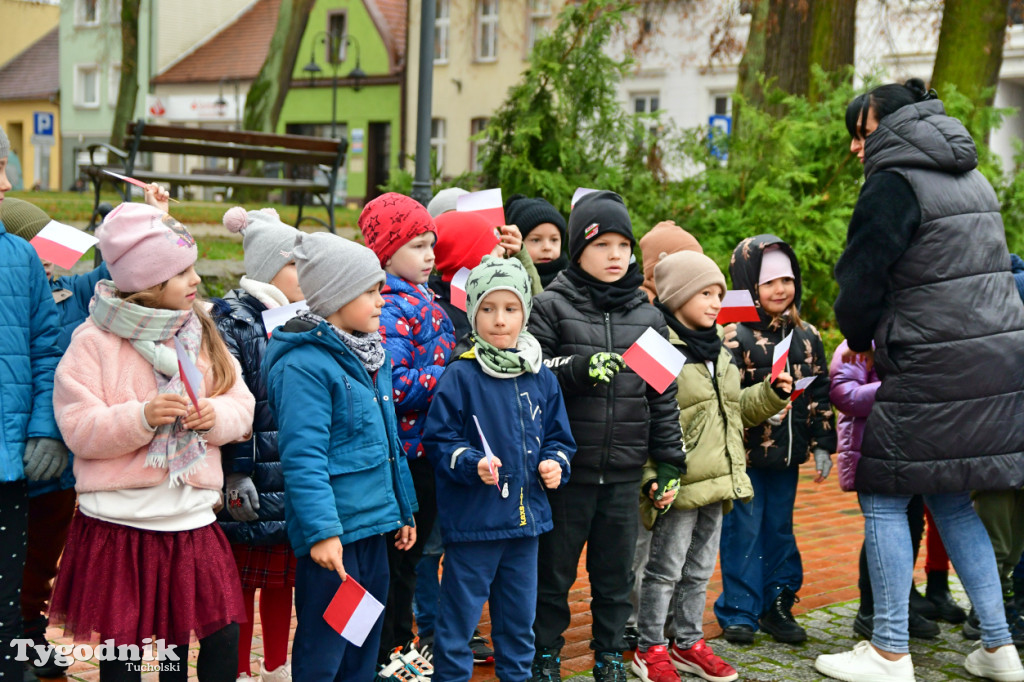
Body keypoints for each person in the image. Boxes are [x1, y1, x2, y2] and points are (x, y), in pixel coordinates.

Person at [815, 79, 1024, 681]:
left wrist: (857, 342)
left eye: (863, 130)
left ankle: (886, 651)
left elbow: (862, 278)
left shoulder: (893, 182)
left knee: (884, 496)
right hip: (987, 361)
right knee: (953, 498)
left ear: (895, 122)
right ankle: (999, 647)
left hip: (928, 359)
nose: (857, 146)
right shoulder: (973, 177)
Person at [48, 201, 256, 681]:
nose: (196, 280)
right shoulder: (93, 343)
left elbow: (240, 404)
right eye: (182, 272)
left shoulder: (200, 331)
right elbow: (79, 427)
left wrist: (213, 416)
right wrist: (140, 417)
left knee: (207, 640)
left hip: (189, 523)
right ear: (146, 282)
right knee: (124, 652)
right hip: (119, 527)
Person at [529, 190, 686, 682]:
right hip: (565, 473)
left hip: (622, 472)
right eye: (602, 245)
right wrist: (576, 368)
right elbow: (532, 374)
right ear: (579, 250)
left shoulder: (648, 315)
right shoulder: (551, 306)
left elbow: (663, 396)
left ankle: (611, 654)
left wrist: (669, 463)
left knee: (615, 577)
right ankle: (546, 654)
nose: (616, 255)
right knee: (552, 576)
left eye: (624, 245)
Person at [263, 231, 418, 681]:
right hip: (336, 539)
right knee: (324, 650)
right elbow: (303, 457)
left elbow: (390, 444)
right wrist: (322, 533)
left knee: (362, 645)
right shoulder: (306, 364)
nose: (380, 301)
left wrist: (402, 509)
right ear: (335, 295)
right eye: (369, 292)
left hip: (372, 529)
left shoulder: (370, 354)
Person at [631, 251, 791, 682]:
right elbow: (639, 420)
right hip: (677, 484)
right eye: (704, 292)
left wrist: (772, 394)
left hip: (718, 481)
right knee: (664, 570)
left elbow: (734, 410)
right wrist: (651, 478)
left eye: (719, 293)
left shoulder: (720, 350)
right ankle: (651, 648)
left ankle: (687, 642)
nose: (715, 301)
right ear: (678, 295)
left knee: (699, 569)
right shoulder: (654, 346)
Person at [422, 255, 576, 682]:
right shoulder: (461, 374)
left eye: (510, 309)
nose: (499, 320)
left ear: (525, 311)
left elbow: (560, 439)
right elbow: (439, 441)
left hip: (527, 527)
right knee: (456, 626)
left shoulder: (541, 375)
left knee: (518, 625)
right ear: (472, 312)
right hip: (475, 525)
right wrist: (472, 464)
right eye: (487, 308)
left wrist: (554, 464)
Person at [1, 196, 115, 679]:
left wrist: (143, 217)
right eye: (40, 245)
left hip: (57, 461)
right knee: (19, 560)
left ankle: (30, 631)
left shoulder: (72, 291)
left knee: (44, 554)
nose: (50, 256)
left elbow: (117, 269)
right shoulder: (29, 283)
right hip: (18, 457)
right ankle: (20, 632)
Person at [713, 234, 835, 645]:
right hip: (744, 457)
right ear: (749, 285)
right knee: (743, 530)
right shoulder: (732, 337)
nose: (780, 289)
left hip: (787, 456)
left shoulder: (808, 335)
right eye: (769, 282)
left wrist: (822, 443)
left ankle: (778, 603)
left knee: (780, 529)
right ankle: (740, 610)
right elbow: (724, 399)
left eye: (787, 279)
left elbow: (820, 394)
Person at [358, 193, 455, 671]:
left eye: (431, 244)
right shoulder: (392, 305)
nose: (429, 255)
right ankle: (384, 652)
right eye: (417, 245)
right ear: (386, 252)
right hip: (406, 456)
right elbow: (392, 383)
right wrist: (452, 378)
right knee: (397, 562)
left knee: (411, 563)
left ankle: (397, 646)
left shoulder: (424, 298)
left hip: (427, 452)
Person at [214, 206, 303, 681]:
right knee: (240, 582)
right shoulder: (235, 321)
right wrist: (237, 469)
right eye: (295, 264)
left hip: (288, 476)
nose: (304, 273)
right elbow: (232, 397)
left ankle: (275, 665)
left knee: (280, 583)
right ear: (269, 268)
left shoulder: (301, 318)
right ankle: (238, 671)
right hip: (249, 479)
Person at [0, 125, 65, 681]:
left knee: (9, 599)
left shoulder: (20, 259)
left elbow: (47, 350)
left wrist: (45, 427)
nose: (6, 183)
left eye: (6, 168)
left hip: (10, 469)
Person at [829, 339, 943, 643]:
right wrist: (901, 386)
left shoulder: (907, 338)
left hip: (912, 449)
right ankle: (869, 611)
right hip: (873, 450)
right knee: (884, 528)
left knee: (912, 525)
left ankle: (897, 602)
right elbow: (846, 396)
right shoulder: (854, 346)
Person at [626, 219, 706, 649]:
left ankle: (662, 619)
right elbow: (650, 397)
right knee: (642, 546)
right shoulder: (649, 321)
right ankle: (635, 620)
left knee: (664, 547)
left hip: (669, 451)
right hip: (644, 454)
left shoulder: (683, 320)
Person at [504, 195, 568, 288]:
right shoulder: (507, 281)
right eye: (536, 240)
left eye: (554, 240)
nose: (547, 247)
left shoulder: (574, 280)